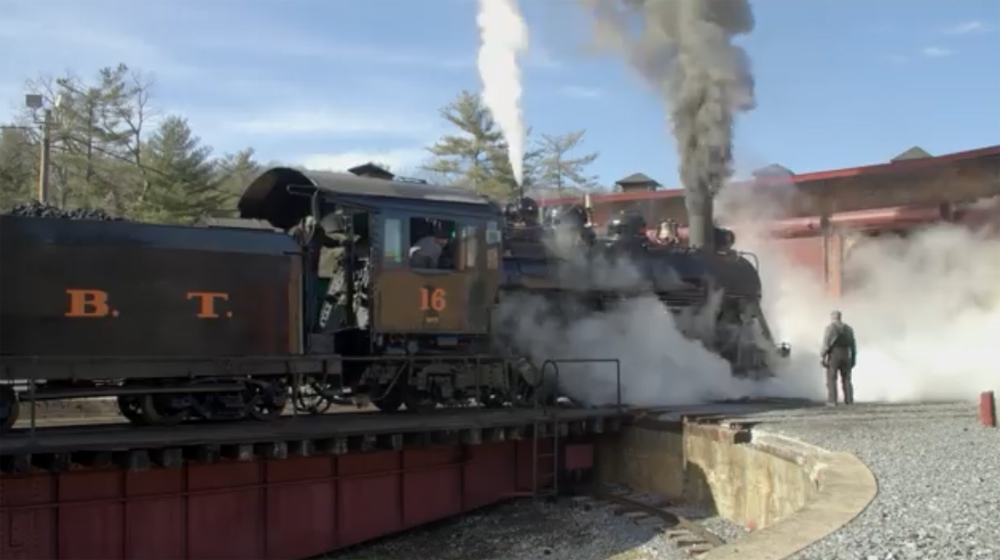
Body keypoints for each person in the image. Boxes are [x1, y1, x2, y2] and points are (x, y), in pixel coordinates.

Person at [821, 310, 857, 405]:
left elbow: (826, 344)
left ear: (832, 318)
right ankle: (849, 400)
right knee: (846, 379)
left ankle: (832, 400)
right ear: (840, 317)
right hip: (846, 354)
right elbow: (853, 346)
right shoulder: (849, 329)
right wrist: (853, 359)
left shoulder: (830, 328)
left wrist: (822, 356)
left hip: (834, 354)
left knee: (832, 378)